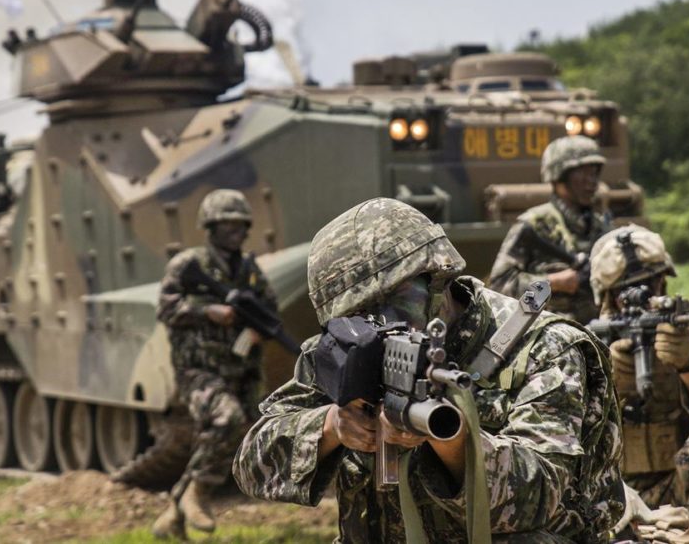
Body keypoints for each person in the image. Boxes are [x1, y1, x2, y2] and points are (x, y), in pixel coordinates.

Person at [233, 197, 624, 543]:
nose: (382, 324)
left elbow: (539, 498)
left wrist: (451, 443)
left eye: (398, 301)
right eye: (361, 313)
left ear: (439, 278)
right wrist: (333, 426)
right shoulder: (349, 349)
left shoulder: (544, 348)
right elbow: (251, 464)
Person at [589, 225, 689, 541]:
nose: (643, 297)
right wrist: (608, 386)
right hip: (614, 494)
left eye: (652, 284)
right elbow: (565, 438)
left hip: (681, 486)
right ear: (606, 297)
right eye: (627, 290)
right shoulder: (586, 345)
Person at [151, 189, 278, 538]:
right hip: (199, 369)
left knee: (249, 431)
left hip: (241, 370)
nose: (236, 230)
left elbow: (269, 308)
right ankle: (198, 494)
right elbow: (165, 309)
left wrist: (257, 329)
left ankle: (177, 508)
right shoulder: (188, 265)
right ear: (210, 226)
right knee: (227, 419)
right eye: (228, 223)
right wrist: (207, 311)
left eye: (241, 224)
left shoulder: (250, 271)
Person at [489, 135, 611, 324]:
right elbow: (499, 285)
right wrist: (555, 282)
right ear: (559, 176)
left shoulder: (601, 226)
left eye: (595, 173)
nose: (592, 181)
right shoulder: (534, 225)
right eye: (583, 173)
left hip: (600, 331)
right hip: (548, 333)